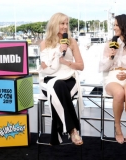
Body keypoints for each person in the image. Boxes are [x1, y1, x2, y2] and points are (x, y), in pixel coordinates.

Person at [38, 12, 84, 145]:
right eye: (62, 23)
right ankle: (73, 130)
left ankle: (58, 133)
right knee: (57, 86)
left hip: (69, 77)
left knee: (58, 89)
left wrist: (66, 62)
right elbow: (45, 67)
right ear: (54, 24)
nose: (65, 27)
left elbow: (81, 66)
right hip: (51, 78)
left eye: (66, 23)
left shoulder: (72, 41)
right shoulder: (45, 43)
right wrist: (58, 52)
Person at [99, 14, 126, 144]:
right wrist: (110, 57)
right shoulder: (109, 44)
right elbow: (102, 67)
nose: (114, 28)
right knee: (119, 93)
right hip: (113, 76)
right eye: (114, 25)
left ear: (124, 26)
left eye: (116, 25)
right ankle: (118, 128)